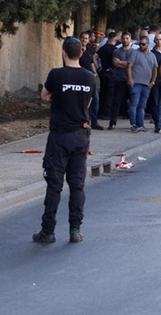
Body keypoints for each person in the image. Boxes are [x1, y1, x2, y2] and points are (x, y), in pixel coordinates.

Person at [32, 37, 95, 244]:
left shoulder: (56, 75)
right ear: (81, 54)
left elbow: (44, 96)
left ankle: (48, 231)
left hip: (59, 136)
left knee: (54, 185)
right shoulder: (89, 77)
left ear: (63, 53)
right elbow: (87, 103)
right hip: (80, 135)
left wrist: (57, 96)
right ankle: (75, 230)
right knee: (77, 185)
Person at [127, 35, 158, 132]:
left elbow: (155, 69)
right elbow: (129, 66)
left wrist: (153, 81)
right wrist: (130, 79)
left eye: (143, 44)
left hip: (146, 84)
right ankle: (133, 124)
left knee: (142, 106)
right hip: (136, 82)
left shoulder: (152, 55)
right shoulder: (135, 53)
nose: (141, 46)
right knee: (134, 104)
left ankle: (140, 125)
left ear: (148, 44)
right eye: (140, 44)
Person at [79, 31, 103, 130]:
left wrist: (95, 73)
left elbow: (92, 63)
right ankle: (84, 121)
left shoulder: (90, 49)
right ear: (80, 38)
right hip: (81, 78)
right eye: (83, 38)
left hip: (91, 78)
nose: (84, 40)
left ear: (89, 40)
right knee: (84, 101)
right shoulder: (76, 50)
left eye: (86, 38)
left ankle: (94, 122)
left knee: (95, 99)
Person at [109, 32, 133, 130]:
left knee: (133, 102)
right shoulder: (116, 51)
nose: (125, 40)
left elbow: (134, 65)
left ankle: (134, 123)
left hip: (131, 79)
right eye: (123, 38)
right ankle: (112, 123)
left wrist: (121, 63)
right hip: (119, 79)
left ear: (130, 39)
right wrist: (129, 64)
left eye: (127, 38)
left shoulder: (134, 52)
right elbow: (115, 64)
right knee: (116, 102)